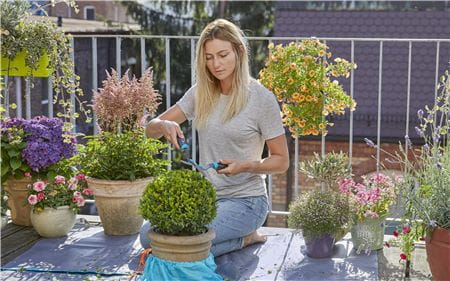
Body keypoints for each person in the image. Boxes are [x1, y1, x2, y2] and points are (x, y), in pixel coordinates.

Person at [140, 19, 289, 257]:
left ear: (238, 51)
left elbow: (281, 161)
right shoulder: (202, 92)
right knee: (147, 236)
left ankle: (245, 237)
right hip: (208, 199)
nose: (216, 64)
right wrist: (163, 124)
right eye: (209, 57)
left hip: (247, 202)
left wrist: (246, 166)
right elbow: (150, 129)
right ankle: (230, 242)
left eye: (222, 55)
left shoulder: (261, 98)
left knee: (184, 242)